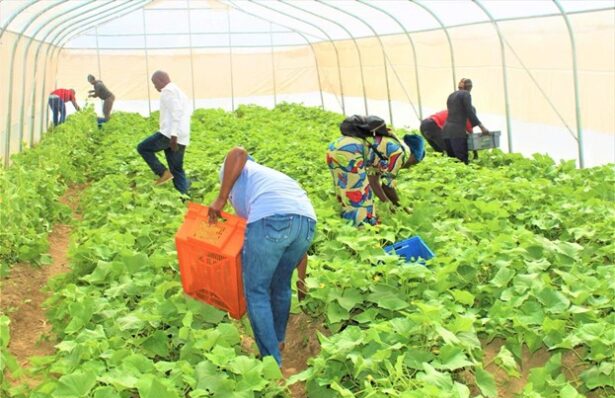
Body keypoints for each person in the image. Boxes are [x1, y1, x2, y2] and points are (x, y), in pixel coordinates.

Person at [208, 147, 317, 366]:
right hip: (306, 223)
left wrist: (220, 198)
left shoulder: (237, 175)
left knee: (256, 290)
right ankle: (278, 341)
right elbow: (297, 246)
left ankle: (271, 361)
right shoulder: (268, 180)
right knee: (281, 284)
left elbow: (238, 152)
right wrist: (301, 281)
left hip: (271, 221)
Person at [326, 115, 425, 226]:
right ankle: (362, 229)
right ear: (413, 156)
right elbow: (387, 186)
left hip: (336, 147)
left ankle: (349, 224)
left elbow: (373, 182)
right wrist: (401, 207)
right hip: (350, 151)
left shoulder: (386, 148)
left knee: (345, 189)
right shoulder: (400, 154)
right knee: (358, 193)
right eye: (414, 163)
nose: (410, 167)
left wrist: (388, 204)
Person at [136, 71, 191, 194]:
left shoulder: (168, 91)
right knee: (177, 169)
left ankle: (162, 172)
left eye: (155, 83)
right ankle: (183, 198)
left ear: (162, 80)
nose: (155, 87)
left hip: (170, 135)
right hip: (182, 135)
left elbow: (176, 112)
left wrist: (173, 135)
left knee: (143, 148)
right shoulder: (179, 91)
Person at [441, 78, 489, 164]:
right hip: (457, 131)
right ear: (469, 87)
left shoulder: (451, 95)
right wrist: (482, 127)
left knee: (452, 160)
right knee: (462, 160)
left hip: (446, 131)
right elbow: (469, 111)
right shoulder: (466, 94)